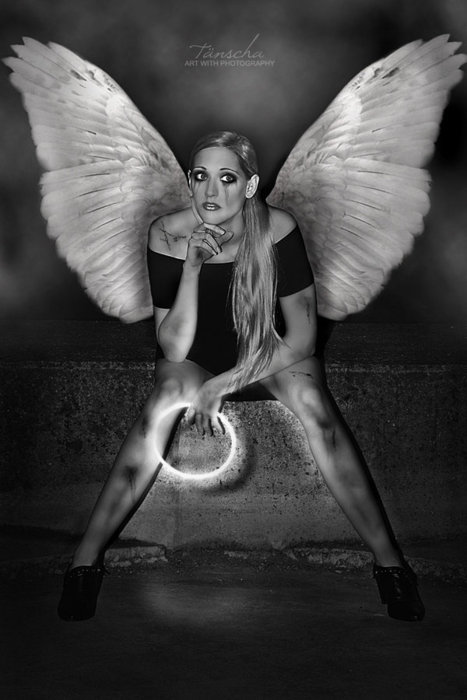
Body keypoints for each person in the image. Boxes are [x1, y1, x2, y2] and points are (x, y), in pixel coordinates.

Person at [58, 131, 425, 622]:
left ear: (250, 186)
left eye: (227, 178)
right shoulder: (167, 233)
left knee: (314, 406)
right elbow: (173, 347)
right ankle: (84, 563)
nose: (211, 191)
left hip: (270, 355)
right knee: (164, 399)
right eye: (200, 176)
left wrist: (223, 384)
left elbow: (302, 338)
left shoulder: (278, 228)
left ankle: (390, 565)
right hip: (196, 357)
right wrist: (192, 268)